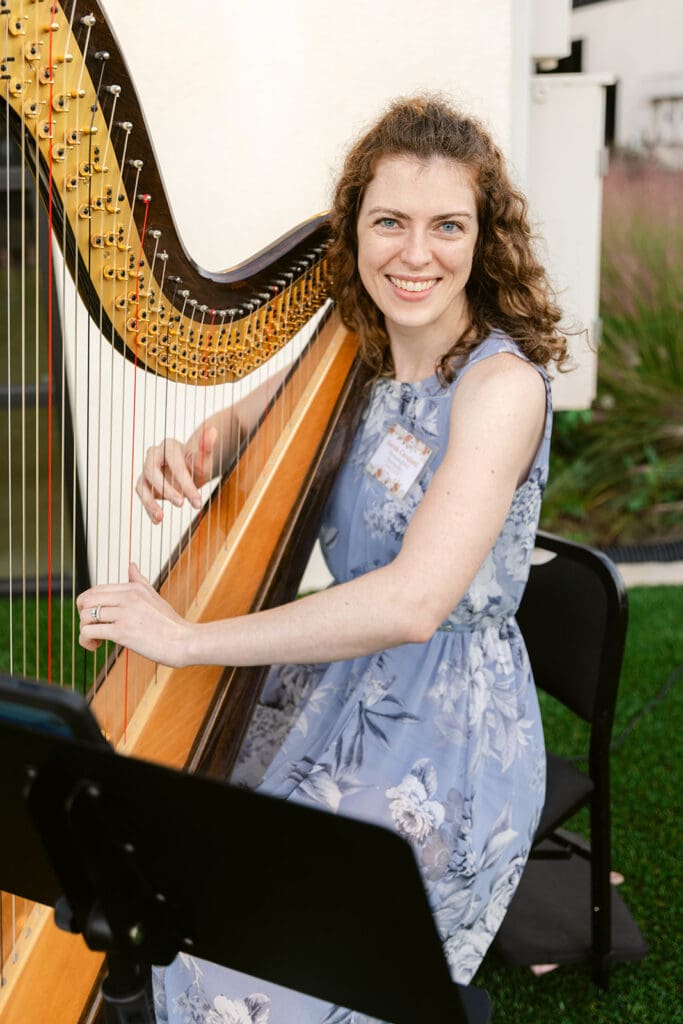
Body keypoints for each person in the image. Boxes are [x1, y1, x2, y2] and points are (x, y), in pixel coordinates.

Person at [78, 95, 567, 1023]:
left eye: (446, 225)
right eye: (389, 222)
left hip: (445, 729)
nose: (414, 254)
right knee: (171, 864)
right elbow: (234, 428)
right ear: (353, 230)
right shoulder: (356, 348)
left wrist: (187, 640)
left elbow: (412, 604)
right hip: (337, 681)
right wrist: (189, 451)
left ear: (483, 238)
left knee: (252, 956)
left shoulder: (498, 388)